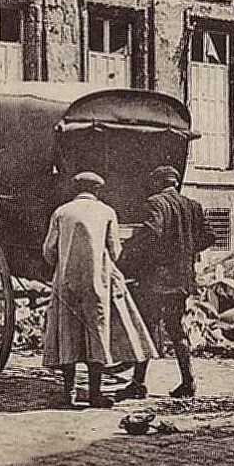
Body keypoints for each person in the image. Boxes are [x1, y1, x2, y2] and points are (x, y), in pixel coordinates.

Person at [42, 171, 158, 409]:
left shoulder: (62, 212)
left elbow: (49, 250)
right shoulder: (106, 212)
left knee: (67, 333)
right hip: (98, 284)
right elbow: (115, 251)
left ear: (77, 189)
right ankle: (95, 394)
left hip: (66, 282)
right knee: (97, 333)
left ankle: (69, 393)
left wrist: (65, 261)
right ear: (97, 190)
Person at [117, 165, 215, 400]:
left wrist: (130, 253)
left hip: (157, 278)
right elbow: (210, 235)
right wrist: (187, 250)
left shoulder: (155, 203)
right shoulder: (193, 205)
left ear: (158, 183)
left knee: (148, 328)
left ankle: (138, 383)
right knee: (176, 327)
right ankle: (188, 382)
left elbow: (151, 233)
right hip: (181, 279)